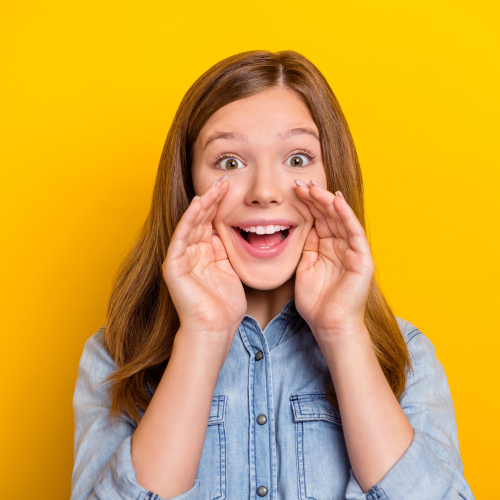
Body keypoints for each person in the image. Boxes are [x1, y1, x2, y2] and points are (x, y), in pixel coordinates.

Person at [71, 50, 475, 500]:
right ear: (189, 187)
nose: (264, 192)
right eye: (229, 162)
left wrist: (342, 332)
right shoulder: (116, 357)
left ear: (332, 177)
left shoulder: (406, 357)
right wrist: (203, 336)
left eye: (298, 159)